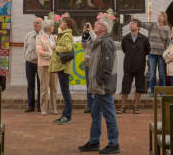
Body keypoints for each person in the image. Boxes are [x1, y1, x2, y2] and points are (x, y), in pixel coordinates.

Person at [79, 20, 120, 154]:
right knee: (95, 112)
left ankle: (114, 144)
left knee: (109, 114)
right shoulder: (99, 41)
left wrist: (100, 80)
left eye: (98, 24)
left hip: (103, 85)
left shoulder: (107, 42)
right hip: (98, 86)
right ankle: (94, 141)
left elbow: (107, 64)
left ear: (104, 28)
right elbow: (87, 47)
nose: (94, 24)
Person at [120, 18, 149, 113]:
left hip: (140, 66)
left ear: (138, 27)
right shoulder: (125, 38)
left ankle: (135, 107)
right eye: (131, 23)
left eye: (133, 24)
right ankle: (123, 107)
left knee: (139, 86)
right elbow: (124, 49)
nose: (131, 25)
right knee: (125, 86)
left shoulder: (144, 39)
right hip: (128, 65)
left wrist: (139, 57)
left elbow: (147, 50)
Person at [50, 16, 76, 124]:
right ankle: (64, 115)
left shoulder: (67, 35)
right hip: (61, 66)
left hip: (64, 67)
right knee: (65, 92)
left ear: (67, 25)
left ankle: (67, 117)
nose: (61, 22)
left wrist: (55, 47)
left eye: (63, 21)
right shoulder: (64, 34)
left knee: (66, 93)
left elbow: (68, 48)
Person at [143, 6, 170, 94]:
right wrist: (136, 21)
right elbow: (143, 25)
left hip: (162, 54)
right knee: (152, 73)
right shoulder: (152, 26)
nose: (159, 17)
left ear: (164, 18)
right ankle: (152, 90)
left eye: (161, 16)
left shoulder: (167, 28)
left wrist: (166, 52)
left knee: (162, 73)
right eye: (158, 15)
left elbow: (168, 41)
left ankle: (162, 91)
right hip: (152, 53)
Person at [36, 19, 57, 115]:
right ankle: (44, 108)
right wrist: (49, 54)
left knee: (54, 88)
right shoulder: (39, 37)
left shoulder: (54, 37)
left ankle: (53, 108)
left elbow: (57, 49)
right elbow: (39, 51)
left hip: (54, 65)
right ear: (47, 27)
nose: (53, 27)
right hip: (44, 65)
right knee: (44, 88)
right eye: (52, 25)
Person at [23, 17, 42, 112]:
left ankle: (40, 106)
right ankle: (30, 105)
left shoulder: (44, 35)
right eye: (34, 22)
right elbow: (25, 48)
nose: (35, 24)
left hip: (40, 63)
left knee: (40, 85)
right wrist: (26, 58)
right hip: (29, 62)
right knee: (30, 84)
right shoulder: (28, 35)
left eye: (37, 23)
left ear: (41, 25)